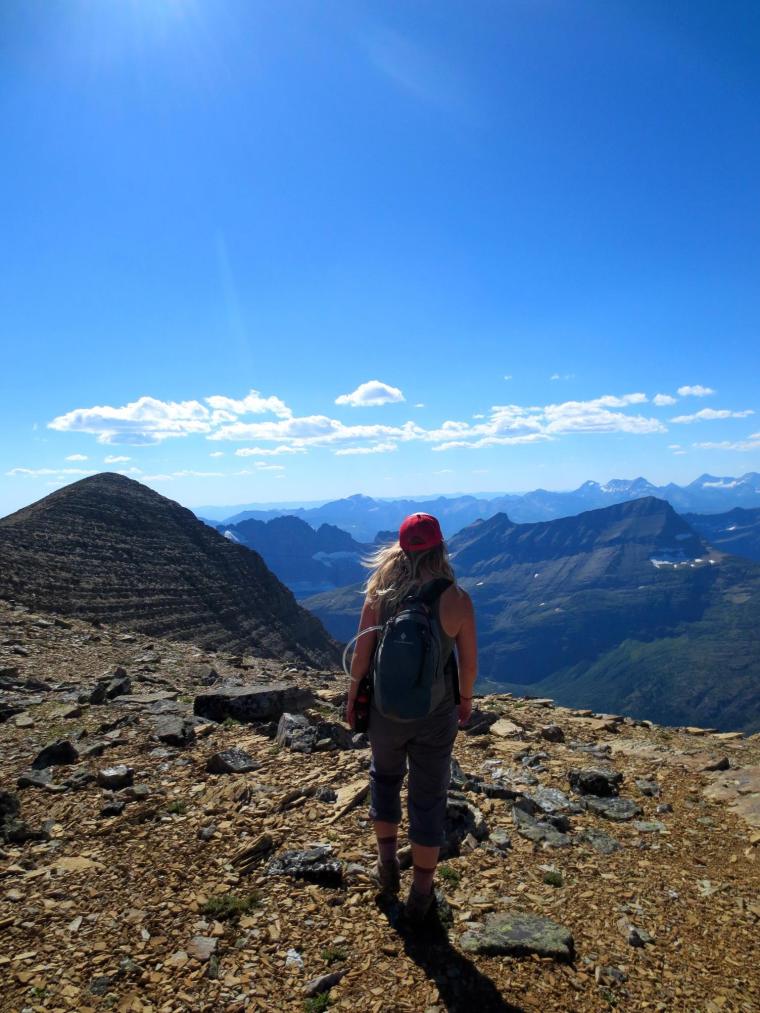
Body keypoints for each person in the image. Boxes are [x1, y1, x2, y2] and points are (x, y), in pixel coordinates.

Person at [346, 512, 478, 922]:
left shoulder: (380, 592)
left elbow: (362, 657)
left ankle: (387, 867)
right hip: (435, 714)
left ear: (401, 549)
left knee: (384, 780)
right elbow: (468, 664)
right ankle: (422, 894)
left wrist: (354, 699)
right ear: (440, 548)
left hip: (385, 711)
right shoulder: (456, 598)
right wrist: (465, 698)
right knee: (428, 795)